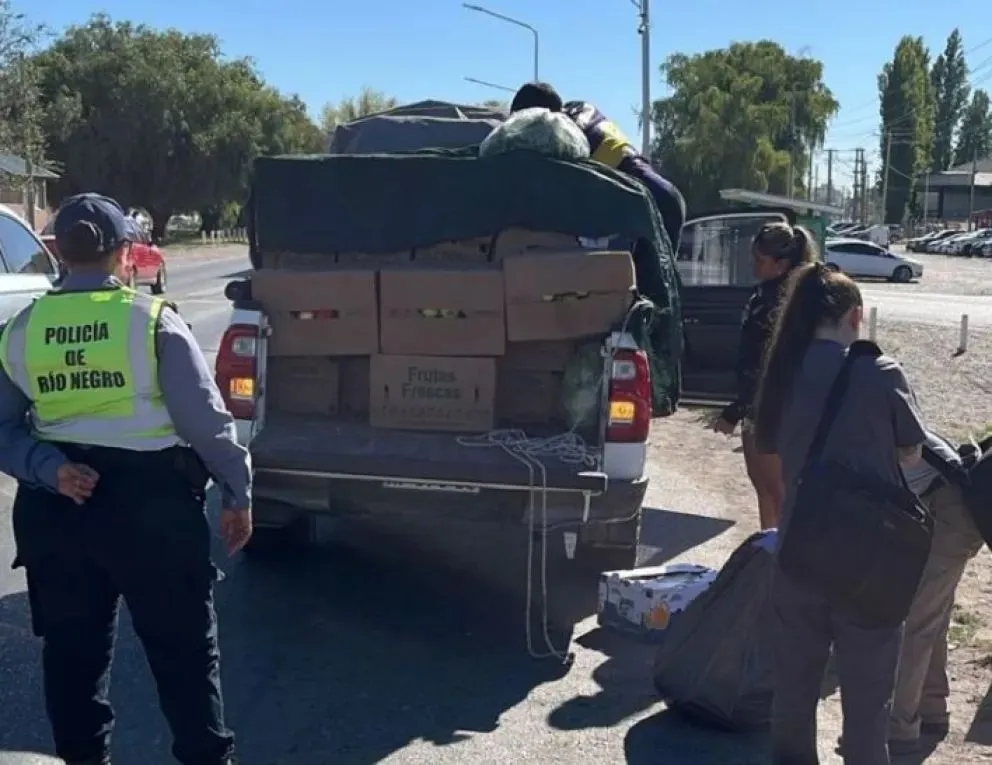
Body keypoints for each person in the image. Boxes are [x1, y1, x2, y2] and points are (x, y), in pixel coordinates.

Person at [0, 193, 253, 765]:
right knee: (186, 662)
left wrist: (49, 470)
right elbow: (210, 427)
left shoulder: (21, 330)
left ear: (57, 252)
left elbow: (4, 430)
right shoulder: (152, 321)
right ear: (123, 254)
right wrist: (238, 494)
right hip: (153, 512)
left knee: (73, 664)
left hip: (59, 507)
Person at [752, 263, 926, 765]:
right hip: (870, 558)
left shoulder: (783, 372)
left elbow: (773, 449)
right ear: (857, 316)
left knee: (794, 691)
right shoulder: (881, 372)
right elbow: (911, 454)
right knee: (869, 703)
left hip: (799, 548)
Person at [712, 222, 818, 530]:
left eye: (761, 260)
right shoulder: (767, 293)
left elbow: (769, 365)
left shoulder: (785, 302)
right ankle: (769, 555)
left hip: (775, 409)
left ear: (782, 263)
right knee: (765, 489)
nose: (754, 265)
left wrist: (736, 409)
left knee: (777, 492)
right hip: (760, 407)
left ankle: (780, 559)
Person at [888, 431, 984, 754]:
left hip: (950, 514)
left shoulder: (867, 432)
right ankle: (932, 710)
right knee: (933, 619)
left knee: (917, 623)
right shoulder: (892, 420)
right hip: (956, 509)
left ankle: (899, 727)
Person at [508, 81, 687, 252]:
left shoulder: (563, 133)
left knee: (651, 277)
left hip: (652, 203)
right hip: (654, 194)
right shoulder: (578, 108)